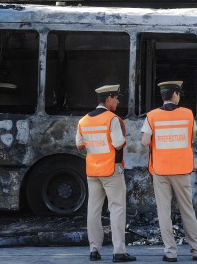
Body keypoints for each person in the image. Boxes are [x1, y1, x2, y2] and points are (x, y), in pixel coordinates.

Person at [141, 81, 197, 262]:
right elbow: (193, 136)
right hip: (182, 169)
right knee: (187, 210)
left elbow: (145, 142)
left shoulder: (152, 116)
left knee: (164, 213)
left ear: (163, 96)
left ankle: (170, 253)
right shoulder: (187, 114)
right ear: (176, 95)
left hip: (160, 171)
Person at [76, 84, 136, 263]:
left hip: (92, 170)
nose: (118, 101)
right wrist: (125, 138)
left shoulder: (83, 120)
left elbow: (80, 145)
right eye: (116, 98)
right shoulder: (112, 119)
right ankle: (119, 252)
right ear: (109, 99)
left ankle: (94, 250)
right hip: (111, 170)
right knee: (117, 208)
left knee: (93, 211)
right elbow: (118, 144)